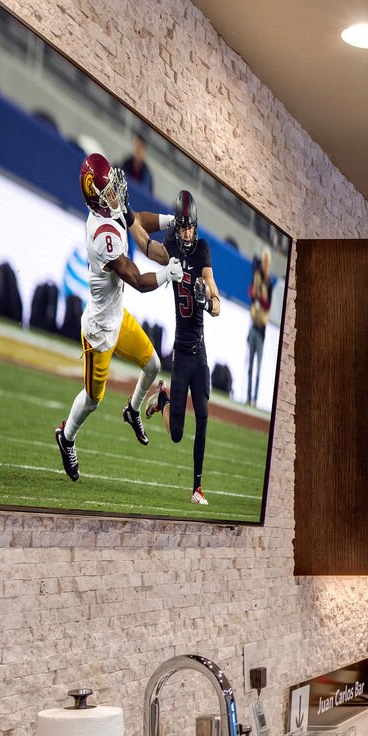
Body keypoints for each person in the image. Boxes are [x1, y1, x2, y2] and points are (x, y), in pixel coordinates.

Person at [53, 152, 177, 482]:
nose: (115, 194)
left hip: (117, 317)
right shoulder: (102, 236)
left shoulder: (109, 208)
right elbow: (135, 279)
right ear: (95, 195)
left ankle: (133, 410)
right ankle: (66, 438)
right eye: (108, 190)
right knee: (93, 399)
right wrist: (167, 275)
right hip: (99, 332)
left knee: (152, 365)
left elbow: (137, 220)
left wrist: (170, 221)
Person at [143, 191, 221, 506]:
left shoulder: (202, 250)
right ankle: (162, 399)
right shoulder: (171, 247)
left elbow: (216, 302)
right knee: (176, 434)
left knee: (203, 416)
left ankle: (197, 488)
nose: (187, 232)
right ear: (177, 226)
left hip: (199, 353)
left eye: (191, 227)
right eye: (183, 227)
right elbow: (147, 247)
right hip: (180, 354)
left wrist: (208, 302)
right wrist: (129, 219)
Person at [246, 247, 273, 405]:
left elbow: (266, 304)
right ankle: (249, 397)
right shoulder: (257, 277)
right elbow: (251, 293)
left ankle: (255, 398)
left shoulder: (268, 283)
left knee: (257, 368)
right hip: (253, 326)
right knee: (250, 366)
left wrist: (258, 294)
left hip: (261, 330)